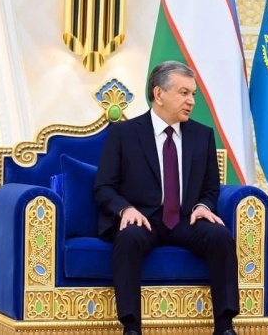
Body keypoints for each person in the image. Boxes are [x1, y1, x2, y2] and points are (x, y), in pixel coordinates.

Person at [94, 61, 239, 335]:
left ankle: (225, 325)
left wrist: (203, 206)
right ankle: (131, 327)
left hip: (185, 218)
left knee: (219, 236)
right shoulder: (124, 134)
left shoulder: (203, 135)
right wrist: (125, 210)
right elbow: (103, 187)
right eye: (184, 93)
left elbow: (211, 188)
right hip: (143, 218)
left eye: (193, 94)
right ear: (159, 94)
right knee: (128, 238)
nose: (191, 101)